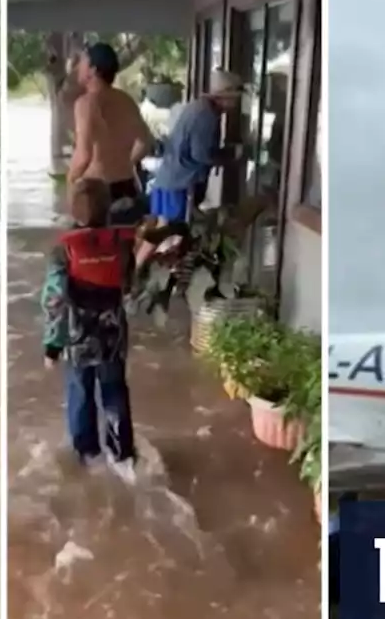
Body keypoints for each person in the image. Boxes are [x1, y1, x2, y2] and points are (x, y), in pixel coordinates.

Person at [42, 179, 139, 467]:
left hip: (77, 337)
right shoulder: (121, 245)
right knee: (114, 391)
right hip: (113, 334)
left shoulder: (63, 250)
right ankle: (121, 455)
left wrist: (52, 344)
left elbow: (54, 298)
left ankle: (87, 455)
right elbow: (129, 286)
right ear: (107, 208)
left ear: (74, 211)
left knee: (80, 392)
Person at [148, 70, 246, 230]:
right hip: (181, 183)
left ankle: (140, 256)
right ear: (225, 96)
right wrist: (230, 155)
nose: (236, 104)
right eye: (235, 98)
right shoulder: (206, 115)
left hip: (170, 179)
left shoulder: (198, 107)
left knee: (162, 232)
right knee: (172, 234)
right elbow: (201, 155)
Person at [68, 42, 154, 221]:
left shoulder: (85, 104)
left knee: (89, 246)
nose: (78, 67)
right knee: (124, 244)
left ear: (93, 70)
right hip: (127, 187)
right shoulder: (126, 100)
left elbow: (83, 156)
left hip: (95, 194)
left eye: (82, 62)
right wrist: (124, 162)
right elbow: (145, 143)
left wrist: (71, 183)